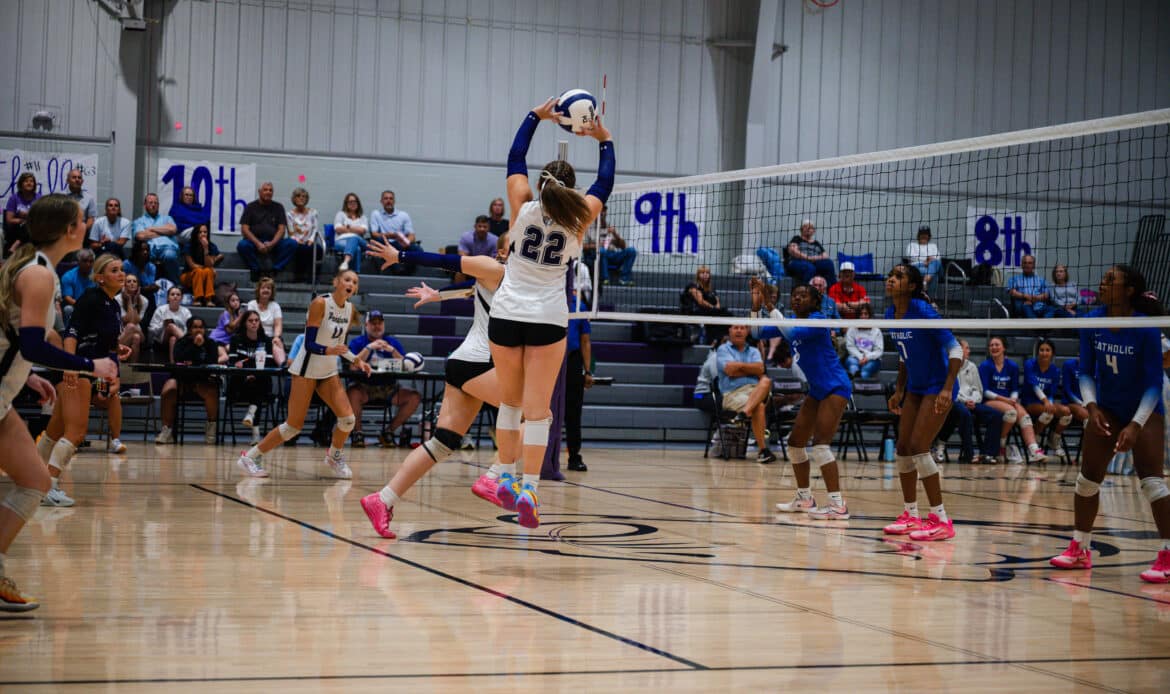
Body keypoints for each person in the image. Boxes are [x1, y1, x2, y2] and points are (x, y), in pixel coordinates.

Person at [479, 98, 613, 529]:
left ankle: (504, 473)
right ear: (572, 191)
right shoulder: (580, 217)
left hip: (507, 313)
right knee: (539, 411)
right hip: (548, 318)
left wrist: (534, 116)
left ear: (540, 185)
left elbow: (514, 157)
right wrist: (604, 139)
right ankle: (530, 489)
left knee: (510, 403)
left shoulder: (522, 206)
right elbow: (605, 182)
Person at [0, 194, 118, 610]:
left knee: (36, 481)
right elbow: (33, 343)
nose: (87, 225)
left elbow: (14, 339)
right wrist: (90, 365)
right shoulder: (38, 275)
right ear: (68, 230)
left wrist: (27, 376)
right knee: (33, 481)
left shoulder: (38, 268)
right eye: (83, 220)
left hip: (3, 394)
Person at [360, 239, 509, 538]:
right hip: (479, 362)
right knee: (534, 413)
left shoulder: (514, 279)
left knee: (443, 443)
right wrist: (400, 255)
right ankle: (496, 476)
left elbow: (469, 290)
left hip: (467, 362)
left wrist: (438, 295)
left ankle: (383, 499)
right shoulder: (495, 268)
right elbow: (447, 262)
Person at [1049, 265, 1169, 583]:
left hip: (1145, 408)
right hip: (1107, 408)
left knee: (1152, 483)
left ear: (1129, 290)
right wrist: (1091, 408)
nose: (1102, 284)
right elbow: (1086, 372)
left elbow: (1154, 383)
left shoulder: (1145, 327)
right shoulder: (1092, 320)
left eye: (1110, 280)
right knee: (1086, 481)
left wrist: (1136, 425)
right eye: (1102, 279)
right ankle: (1080, 548)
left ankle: (1168, 554)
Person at [237, 269, 370, 478]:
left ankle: (334, 456)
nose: (351, 284)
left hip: (328, 371)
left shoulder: (350, 309)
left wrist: (357, 360)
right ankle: (251, 457)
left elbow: (339, 345)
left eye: (354, 282)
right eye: (347, 279)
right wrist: (330, 351)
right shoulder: (320, 303)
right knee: (292, 426)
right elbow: (310, 344)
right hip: (306, 370)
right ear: (336, 282)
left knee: (348, 420)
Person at [38, 254, 134, 507]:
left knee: (56, 429)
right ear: (100, 278)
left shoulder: (114, 306)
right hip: (78, 368)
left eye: (122, 269)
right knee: (76, 431)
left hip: (95, 372)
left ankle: (31, 479)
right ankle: (49, 485)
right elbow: (72, 333)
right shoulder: (90, 298)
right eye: (114, 270)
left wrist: (118, 349)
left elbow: (106, 343)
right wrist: (70, 366)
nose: (121, 274)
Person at [881, 264, 963, 541]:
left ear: (913, 286)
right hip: (915, 386)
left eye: (899, 276)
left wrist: (948, 388)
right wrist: (899, 389)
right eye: (891, 275)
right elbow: (904, 355)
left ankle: (941, 519)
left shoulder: (923, 311)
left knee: (919, 446)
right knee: (903, 448)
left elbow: (955, 349)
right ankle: (911, 514)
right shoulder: (890, 314)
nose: (891, 279)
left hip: (938, 385)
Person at [768, 285, 852, 517]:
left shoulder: (818, 320)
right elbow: (756, 332)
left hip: (835, 387)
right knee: (795, 443)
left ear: (815, 302)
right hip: (817, 390)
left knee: (821, 445)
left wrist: (770, 306)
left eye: (803, 296)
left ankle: (838, 505)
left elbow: (792, 333)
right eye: (794, 295)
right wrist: (756, 308)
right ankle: (805, 499)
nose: (796, 298)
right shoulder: (792, 322)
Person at [344, 310, 421, 448]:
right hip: (364, 387)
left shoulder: (392, 342)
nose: (377, 326)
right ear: (366, 325)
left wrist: (392, 351)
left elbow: (406, 366)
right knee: (352, 393)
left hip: (388, 388)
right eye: (373, 323)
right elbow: (353, 367)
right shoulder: (357, 342)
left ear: (384, 325)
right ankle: (358, 433)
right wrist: (368, 348)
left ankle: (388, 432)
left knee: (414, 397)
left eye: (379, 323)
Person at [979, 335, 1047, 462]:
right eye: (991, 345)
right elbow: (985, 391)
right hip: (989, 401)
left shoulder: (1012, 366)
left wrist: (1013, 399)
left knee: (1024, 417)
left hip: (1008, 401)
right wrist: (1006, 400)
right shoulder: (985, 366)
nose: (993, 347)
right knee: (1011, 412)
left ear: (1004, 348)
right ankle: (1001, 446)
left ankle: (1034, 450)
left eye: (997, 344)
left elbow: (1015, 389)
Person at [717, 323, 777, 465]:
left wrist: (739, 367)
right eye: (735, 328)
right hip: (733, 394)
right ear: (730, 330)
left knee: (766, 381)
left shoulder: (754, 351)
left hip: (756, 391)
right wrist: (751, 370)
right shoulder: (723, 349)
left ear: (747, 331)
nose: (739, 331)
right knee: (759, 407)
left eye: (742, 328)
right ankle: (763, 451)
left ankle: (744, 413)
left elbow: (760, 369)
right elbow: (729, 370)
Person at [155, 316, 221, 445]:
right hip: (182, 379)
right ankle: (166, 430)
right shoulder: (181, 342)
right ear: (189, 330)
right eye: (195, 327)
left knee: (212, 391)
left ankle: (211, 428)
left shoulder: (211, 344)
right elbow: (178, 360)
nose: (198, 330)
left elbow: (212, 362)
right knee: (168, 389)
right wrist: (195, 346)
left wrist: (195, 357)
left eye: (201, 327)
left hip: (202, 381)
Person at [934, 339, 1000, 465]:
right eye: (967, 348)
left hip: (972, 402)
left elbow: (978, 389)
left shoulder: (972, 366)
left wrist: (973, 400)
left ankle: (987, 453)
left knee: (996, 415)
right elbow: (950, 390)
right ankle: (969, 455)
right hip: (955, 402)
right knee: (964, 413)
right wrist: (965, 401)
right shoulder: (946, 366)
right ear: (958, 350)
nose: (969, 351)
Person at [225, 309, 282, 442]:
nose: (254, 323)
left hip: (259, 380)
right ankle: (255, 431)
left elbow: (268, 363)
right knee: (255, 387)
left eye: (256, 320)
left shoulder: (266, 340)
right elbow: (232, 363)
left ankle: (251, 415)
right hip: (240, 383)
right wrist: (245, 373)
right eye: (250, 321)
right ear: (245, 323)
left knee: (260, 383)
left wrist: (253, 374)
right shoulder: (236, 339)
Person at [1022, 337, 1073, 458]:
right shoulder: (1029, 364)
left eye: (1047, 350)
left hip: (1045, 403)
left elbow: (1051, 393)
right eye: (1041, 350)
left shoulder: (1055, 370)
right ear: (1037, 352)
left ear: (1052, 353)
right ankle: (1034, 443)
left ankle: (1053, 440)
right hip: (1029, 402)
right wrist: (1046, 402)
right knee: (1048, 413)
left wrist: (1049, 402)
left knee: (1067, 413)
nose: (1044, 353)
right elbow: (1034, 385)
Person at [237, 182, 295, 281]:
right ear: (259, 192)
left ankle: (275, 269)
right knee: (242, 245)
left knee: (292, 243)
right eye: (265, 190)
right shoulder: (250, 207)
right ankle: (256, 270)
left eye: (270, 190)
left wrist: (272, 243)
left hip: (274, 242)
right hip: (254, 242)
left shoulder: (279, 207)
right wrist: (258, 243)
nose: (268, 192)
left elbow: (282, 229)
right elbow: (245, 229)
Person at [564, 291, 592, 472]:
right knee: (543, 411)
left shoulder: (579, 306)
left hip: (572, 361)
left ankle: (574, 456)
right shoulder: (547, 298)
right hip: (548, 358)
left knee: (573, 412)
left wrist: (587, 371)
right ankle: (542, 456)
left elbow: (585, 341)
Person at [132, 193, 180, 283]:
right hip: (149, 249)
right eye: (150, 203)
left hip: (167, 248)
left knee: (170, 255)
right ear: (145, 205)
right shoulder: (139, 221)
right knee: (140, 256)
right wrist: (164, 232)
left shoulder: (167, 218)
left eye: (156, 203)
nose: (153, 205)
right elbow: (140, 236)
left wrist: (152, 229)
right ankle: (146, 284)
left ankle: (175, 284)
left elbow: (173, 230)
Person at [369, 190, 420, 275]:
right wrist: (390, 235)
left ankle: (409, 272)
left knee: (417, 249)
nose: (388, 201)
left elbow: (412, 235)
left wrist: (407, 242)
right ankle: (399, 270)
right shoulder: (376, 214)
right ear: (381, 201)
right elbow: (374, 234)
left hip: (400, 243)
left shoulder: (403, 215)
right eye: (386, 198)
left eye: (391, 198)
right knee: (378, 240)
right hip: (385, 243)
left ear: (394, 201)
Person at [681, 265, 731, 345]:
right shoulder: (693, 286)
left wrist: (716, 309)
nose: (705, 274)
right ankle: (715, 340)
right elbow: (700, 301)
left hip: (708, 312)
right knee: (722, 314)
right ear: (698, 275)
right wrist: (713, 308)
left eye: (707, 273)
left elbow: (717, 301)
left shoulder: (711, 289)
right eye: (702, 273)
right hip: (694, 312)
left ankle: (717, 340)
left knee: (725, 313)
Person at [246, 277, 286, 365]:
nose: (266, 290)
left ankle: (283, 366)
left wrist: (276, 336)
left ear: (272, 291)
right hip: (255, 336)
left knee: (277, 342)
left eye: (268, 288)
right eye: (263, 288)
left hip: (271, 337)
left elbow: (278, 325)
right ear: (258, 290)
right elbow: (250, 323)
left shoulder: (275, 306)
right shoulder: (251, 304)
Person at [180, 224, 222, 306]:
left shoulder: (212, 246)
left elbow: (209, 264)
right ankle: (197, 298)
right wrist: (207, 268)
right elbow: (192, 265)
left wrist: (206, 249)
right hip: (188, 275)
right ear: (195, 234)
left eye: (205, 232)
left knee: (208, 271)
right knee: (200, 271)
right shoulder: (189, 246)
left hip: (205, 274)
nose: (203, 234)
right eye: (200, 232)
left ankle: (208, 299)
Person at [783, 220, 836, 286]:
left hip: (814, 262)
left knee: (828, 264)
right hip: (797, 262)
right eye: (806, 227)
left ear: (813, 231)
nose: (808, 229)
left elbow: (825, 256)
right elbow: (793, 251)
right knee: (809, 267)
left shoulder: (816, 243)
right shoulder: (796, 239)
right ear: (801, 229)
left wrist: (813, 258)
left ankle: (832, 289)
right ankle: (806, 290)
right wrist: (808, 258)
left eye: (810, 227)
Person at [286, 187, 321, 283]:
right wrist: (298, 241)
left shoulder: (313, 212)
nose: (301, 198)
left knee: (318, 249)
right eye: (298, 196)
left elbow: (315, 228)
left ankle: (313, 278)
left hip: (310, 241)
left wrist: (311, 239)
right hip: (296, 241)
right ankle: (299, 277)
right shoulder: (289, 214)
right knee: (300, 249)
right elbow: (290, 232)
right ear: (294, 198)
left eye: (304, 196)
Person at [148, 286, 192, 362]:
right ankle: (188, 345)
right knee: (171, 326)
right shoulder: (160, 310)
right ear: (168, 298)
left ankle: (173, 364)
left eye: (178, 295)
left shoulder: (186, 311)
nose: (175, 296)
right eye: (172, 294)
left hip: (178, 339)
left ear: (181, 298)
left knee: (173, 339)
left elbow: (189, 329)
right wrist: (163, 325)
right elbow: (152, 329)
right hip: (161, 339)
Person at [597, 206, 637, 285]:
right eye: (601, 212)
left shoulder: (609, 227)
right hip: (599, 255)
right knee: (602, 251)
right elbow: (584, 246)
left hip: (612, 254)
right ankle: (605, 279)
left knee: (631, 251)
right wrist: (598, 245)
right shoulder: (591, 228)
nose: (603, 213)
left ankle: (624, 279)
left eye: (604, 211)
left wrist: (615, 234)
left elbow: (623, 246)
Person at [3, 172, 40, 255]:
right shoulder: (14, 198)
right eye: (26, 181)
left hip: (34, 228)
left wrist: (27, 215)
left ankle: (16, 245)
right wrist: (23, 220)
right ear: (21, 184)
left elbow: (41, 217)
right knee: (27, 224)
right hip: (17, 229)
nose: (29, 183)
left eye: (31, 181)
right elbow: (9, 220)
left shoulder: (38, 197)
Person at [843, 304, 883, 379]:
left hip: (872, 359)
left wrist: (867, 358)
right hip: (855, 357)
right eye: (861, 314)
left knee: (865, 370)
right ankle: (855, 381)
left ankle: (857, 382)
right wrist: (861, 357)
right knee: (853, 366)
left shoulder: (876, 331)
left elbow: (879, 351)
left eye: (866, 314)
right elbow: (850, 346)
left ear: (869, 316)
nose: (863, 316)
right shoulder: (852, 329)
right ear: (858, 316)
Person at [115, 274, 148, 363]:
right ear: (124, 285)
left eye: (134, 281)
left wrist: (135, 301)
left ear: (138, 285)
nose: (132, 283)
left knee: (133, 331)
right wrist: (129, 300)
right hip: (121, 331)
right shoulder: (117, 299)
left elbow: (135, 321)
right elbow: (127, 320)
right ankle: (115, 355)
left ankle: (132, 367)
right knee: (135, 334)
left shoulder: (144, 300)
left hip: (135, 328)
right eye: (129, 281)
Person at [332, 192, 367, 273]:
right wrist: (356, 229)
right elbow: (338, 229)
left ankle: (345, 262)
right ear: (346, 204)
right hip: (341, 241)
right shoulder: (340, 214)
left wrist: (348, 227)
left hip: (359, 240)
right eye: (350, 202)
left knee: (354, 238)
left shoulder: (363, 217)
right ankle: (355, 274)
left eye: (355, 201)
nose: (353, 203)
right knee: (357, 249)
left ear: (358, 203)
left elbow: (363, 231)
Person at [60, 249, 96, 325]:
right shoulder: (68, 276)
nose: (88, 264)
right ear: (78, 262)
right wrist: (83, 306)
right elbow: (67, 297)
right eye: (85, 261)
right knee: (68, 309)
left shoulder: (97, 275)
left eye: (91, 261)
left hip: (94, 305)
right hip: (76, 305)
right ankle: (69, 331)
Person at [62, 169, 97, 238]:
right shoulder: (61, 196)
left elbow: (91, 218)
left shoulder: (89, 198)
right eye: (74, 177)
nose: (77, 179)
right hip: (63, 233)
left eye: (79, 177)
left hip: (83, 235)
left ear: (82, 181)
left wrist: (81, 231)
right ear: (67, 180)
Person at [906, 225, 941, 294]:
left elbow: (938, 257)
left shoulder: (933, 246)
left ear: (929, 236)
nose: (924, 236)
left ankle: (925, 281)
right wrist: (926, 260)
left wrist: (929, 261)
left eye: (926, 234)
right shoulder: (912, 245)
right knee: (934, 274)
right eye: (922, 234)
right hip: (917, 267)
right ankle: (930, 298)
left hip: (931, 266)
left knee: (936, 263)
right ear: (918, 235)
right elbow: (910, 256)